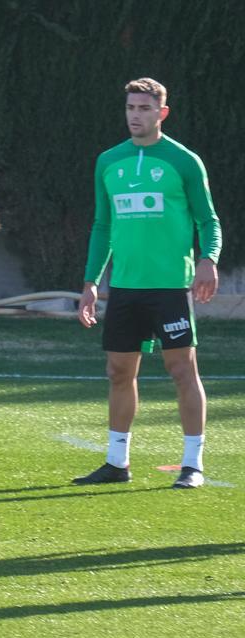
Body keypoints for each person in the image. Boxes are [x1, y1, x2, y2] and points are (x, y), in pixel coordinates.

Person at [76, 77, 222, 489]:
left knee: (181, 370)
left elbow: (207, 220)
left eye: (143, 108)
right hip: (124, 287)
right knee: (118, 372)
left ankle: (192, 464)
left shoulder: (184, 161)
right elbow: (102, 225)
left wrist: (208, 260)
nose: (135, 116)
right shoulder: (108, 161)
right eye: (130, 109)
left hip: (171, 286)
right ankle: (116, 462)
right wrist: (90, 283)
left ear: (162, 113)